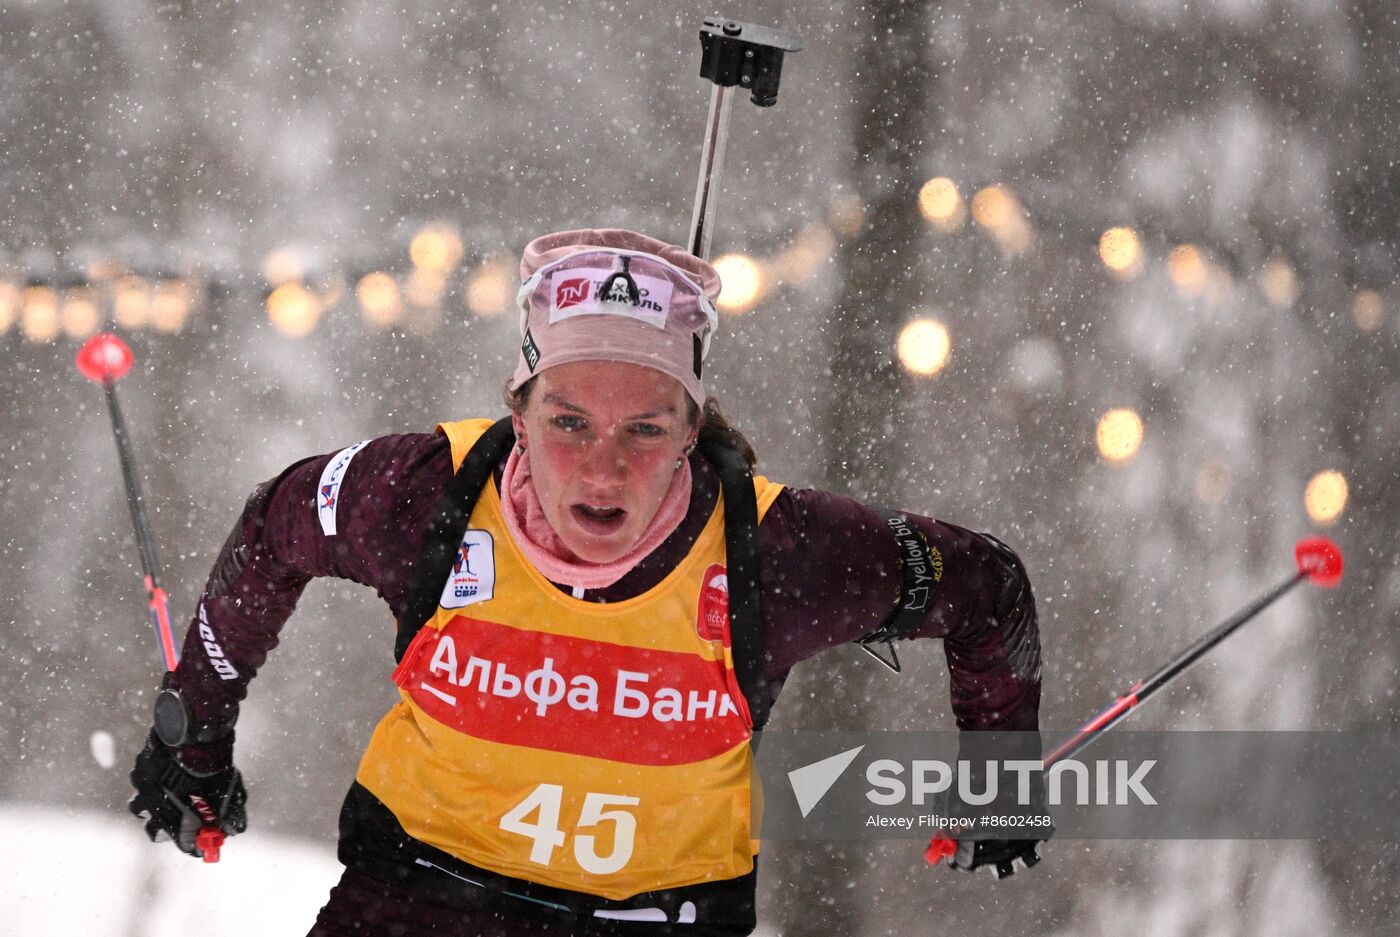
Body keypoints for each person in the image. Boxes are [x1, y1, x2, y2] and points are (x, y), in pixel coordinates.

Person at [129, 228, 1047, 936]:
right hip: (412, 898)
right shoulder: (422, 497)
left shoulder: (775, 550)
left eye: (645, 430)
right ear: (518, 408)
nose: (603, 469)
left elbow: (987, 586)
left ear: (692, 428)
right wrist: (196, 725)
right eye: (570, 421)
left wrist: (998, 769)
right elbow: (278, 520)